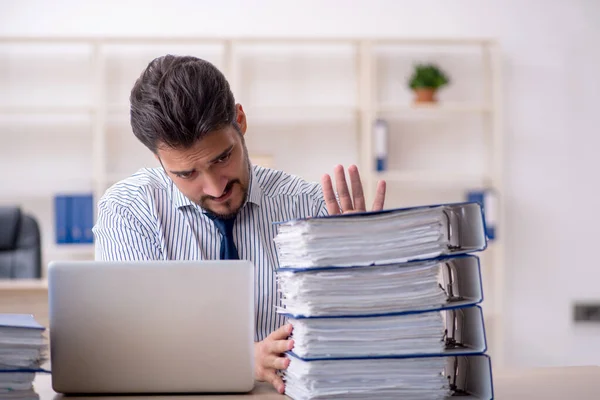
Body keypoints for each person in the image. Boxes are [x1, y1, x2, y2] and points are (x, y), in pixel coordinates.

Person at [92, 55, 386, 394]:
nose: (215, 188)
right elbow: (128, 347)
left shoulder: (312, 208)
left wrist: (366, 281)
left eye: (222, 158)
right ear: (158, 160)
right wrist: (241, 361)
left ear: (241, 122)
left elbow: (357, 347)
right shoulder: (129, 212)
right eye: (187, 174)